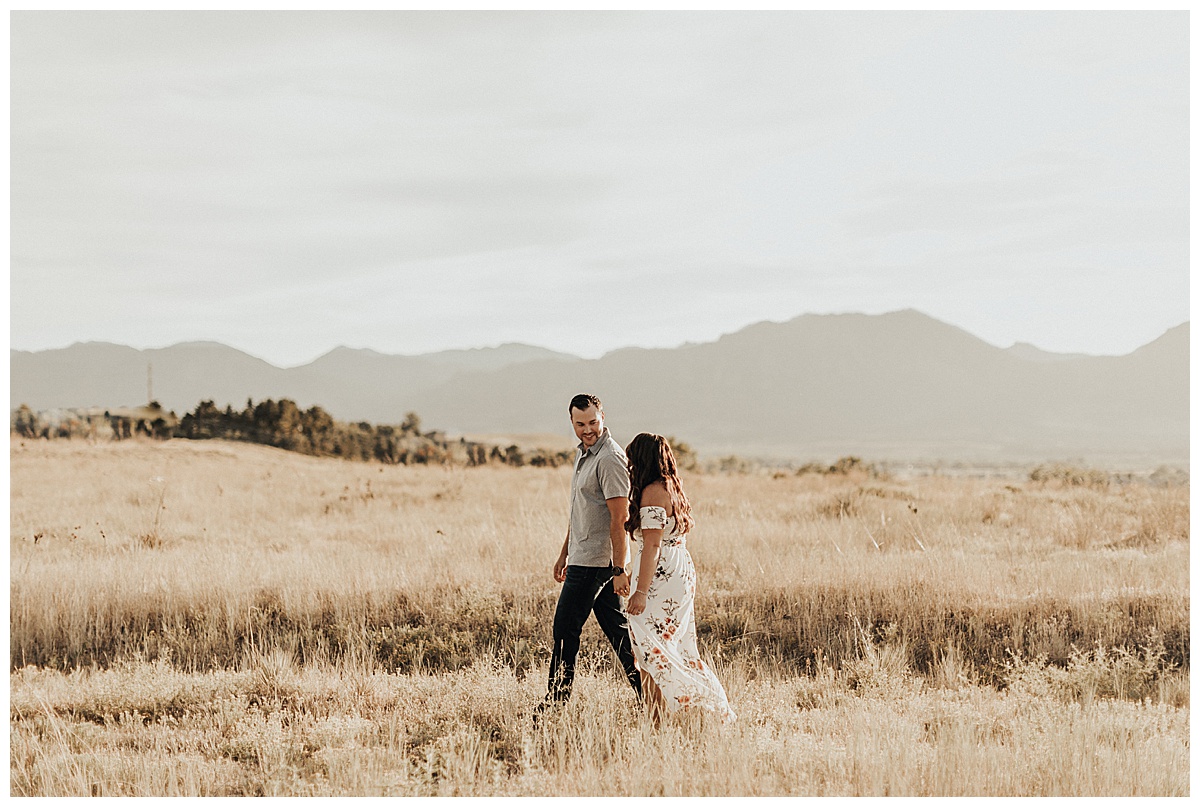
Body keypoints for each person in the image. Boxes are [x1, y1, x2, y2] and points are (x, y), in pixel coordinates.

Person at [538, 394, 641, 713]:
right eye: (580, 424)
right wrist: (563, 553)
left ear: (603, 417)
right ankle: (649, 694)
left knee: (564, 628)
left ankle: (556, 701)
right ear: (571, 422)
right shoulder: (584, 455)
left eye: (593, 422)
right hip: (582, 556)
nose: (587, 430)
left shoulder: (610, 458)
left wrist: (619, 569)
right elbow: (580, 512)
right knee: (619, 634)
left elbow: (618, 519)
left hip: (597, 563)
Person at [624, 432, 736, 725]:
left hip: (660, 576)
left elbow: (651, 545)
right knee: (674, 646)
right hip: (679, 569)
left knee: (650, 648)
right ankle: (673, 714)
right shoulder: (673, 486)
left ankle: (661, 719)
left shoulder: (652, 492)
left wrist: (640, 591)